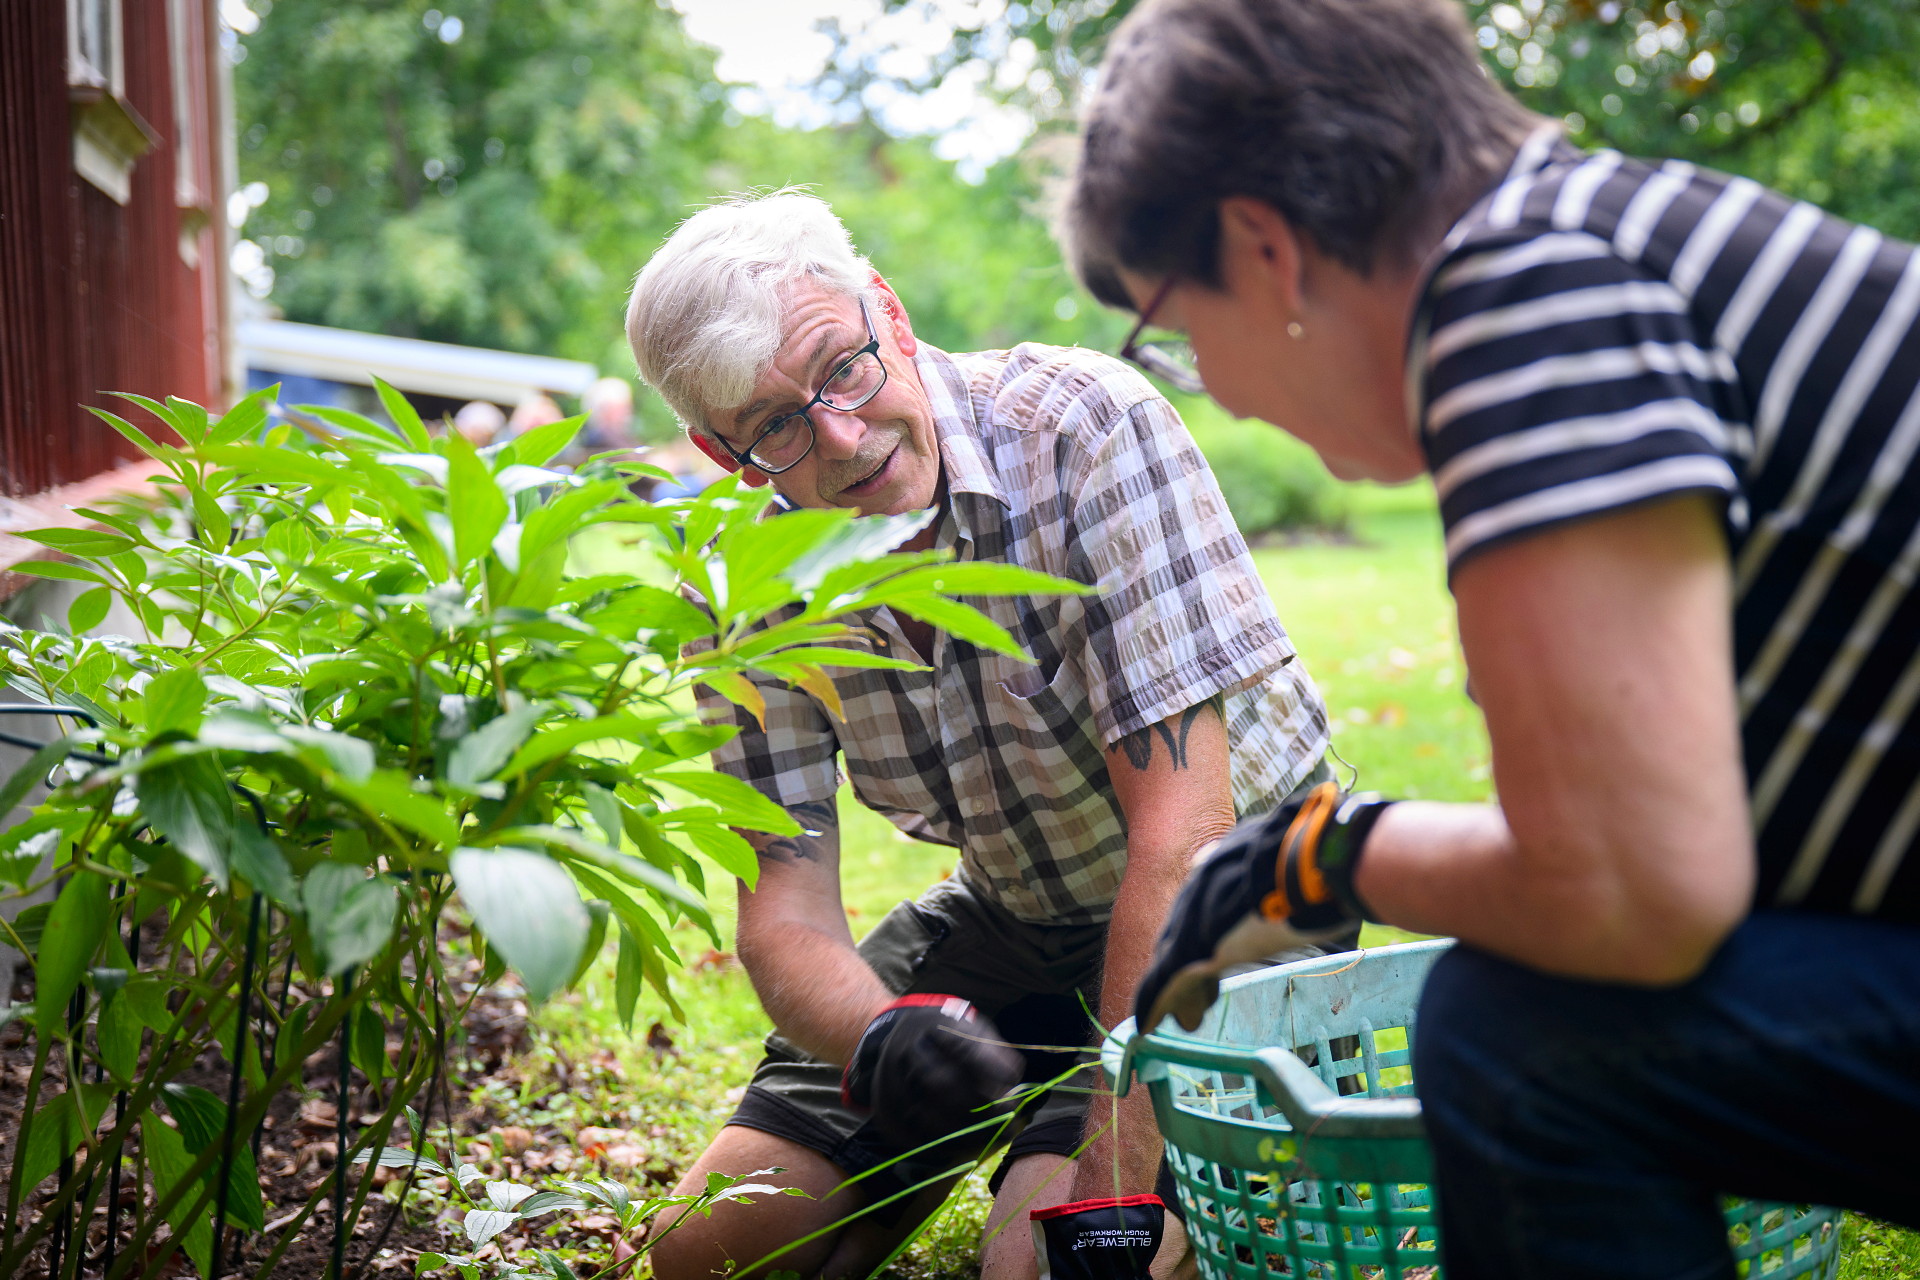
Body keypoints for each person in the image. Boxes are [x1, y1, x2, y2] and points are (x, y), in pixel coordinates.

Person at [1062, 1, 1920, 1276]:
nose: (1217, 388)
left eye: (1176, 334)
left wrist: (1315, 854)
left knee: (1521, 1039)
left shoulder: (1525, 294)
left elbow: (1633, 893)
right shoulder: (1600, 236)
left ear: (1264, 246)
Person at [623, 191, 1335, 1280]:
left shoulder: (1083, 426)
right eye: (776, 426)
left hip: (1242, 890)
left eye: (845, 367)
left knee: (1054, 1264)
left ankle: (1114, 1152)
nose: (842, 437)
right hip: (1017, 909)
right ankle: (994, 1121)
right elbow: (784, 911)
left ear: (892, 318)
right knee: (698, 1257)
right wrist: (879, 1032)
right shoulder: (741, 584)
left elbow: (1185, 829)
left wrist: (1111, 1165)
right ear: (724, 454)